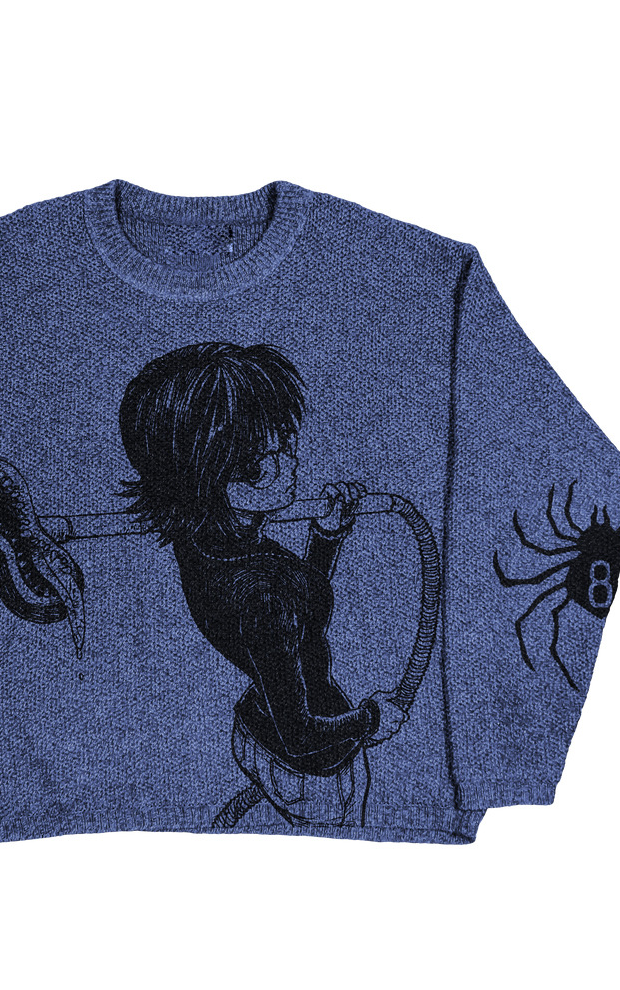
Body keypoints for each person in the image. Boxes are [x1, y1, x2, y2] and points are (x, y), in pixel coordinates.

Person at [118, 342, 406, 826]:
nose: (288, 464)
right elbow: (300, 735)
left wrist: (325, 537)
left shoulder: (210, 539)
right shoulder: (261, 596)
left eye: (285, 444)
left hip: (262, 722)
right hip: (312, 765)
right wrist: (370, 720)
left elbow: (297, 613)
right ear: (206, 477)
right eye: (259, 463)